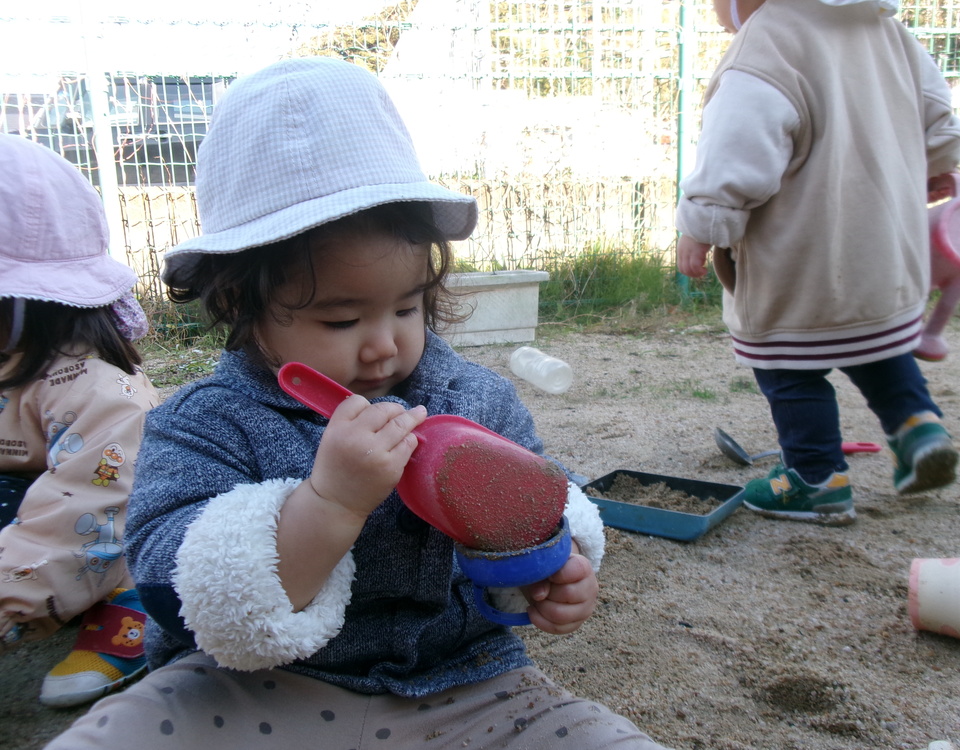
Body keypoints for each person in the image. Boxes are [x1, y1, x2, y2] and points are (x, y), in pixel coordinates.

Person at [47, 58, 671, 749]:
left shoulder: (472, 400)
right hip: (249, 695)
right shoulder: (203, 425)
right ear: (239, 303)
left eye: (406, 307)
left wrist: (554, 568)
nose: (382, 347)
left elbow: (542, 500)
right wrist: (330, 505)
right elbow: (174, 587)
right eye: (341, 321)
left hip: (463, 684)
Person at [675, 0, 960, 526]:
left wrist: (704, 225)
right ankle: (919, 427)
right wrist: (940, 161)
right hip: (882, 248)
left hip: (801, 256)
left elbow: (736, 149)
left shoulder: (767, 46)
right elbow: (933, 105)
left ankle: (815, 480)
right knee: (875, 342)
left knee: (788, 366)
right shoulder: (881, 28)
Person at [0, 134, 159, 706]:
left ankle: (133, 607)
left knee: (154, 546)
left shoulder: (97, 389)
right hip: (27, 505)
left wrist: (10, 601)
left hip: (105, 525)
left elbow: (86, 508)